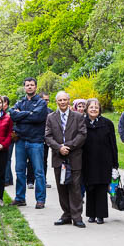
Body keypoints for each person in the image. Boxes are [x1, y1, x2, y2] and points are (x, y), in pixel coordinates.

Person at [45, 91, 87, 227]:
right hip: (58, 157)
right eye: (60, 100)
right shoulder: (51, 117)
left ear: (69, 101)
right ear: (56, 102)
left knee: (75, 187)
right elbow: (48, 136)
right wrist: (59, 148)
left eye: (65, 100)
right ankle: (67, 215)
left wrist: (68, 146)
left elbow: (82, 134)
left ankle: (77, 216)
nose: (62, 102)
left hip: (74, 156)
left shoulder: (78, 116)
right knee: (61, 187)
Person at [8, 77, 48, 208]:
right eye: (27, 85)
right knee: (19, 171)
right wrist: (29, 114)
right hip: (20, 140)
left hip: (35, 141)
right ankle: (20, 198)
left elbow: (37, 117)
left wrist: (22, 115)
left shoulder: (41, 103)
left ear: (36, 87)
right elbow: (13, 115)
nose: (29, 87)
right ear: (24, 87)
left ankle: (40, 200)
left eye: (31, 85)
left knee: (38, 172)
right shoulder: (20, 102)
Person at [81, 98, 117, 225]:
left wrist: (115, 164)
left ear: (100, 109)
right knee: (90, 187)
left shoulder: (107, 123)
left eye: (96, 107)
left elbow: (113, 144)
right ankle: (91, 214)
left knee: (101, 188)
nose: (94, 109)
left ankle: (100, 215)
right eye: (91, 107)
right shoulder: (82, 123)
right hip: (87, 160)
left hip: (104, 161)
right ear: (86, 109)